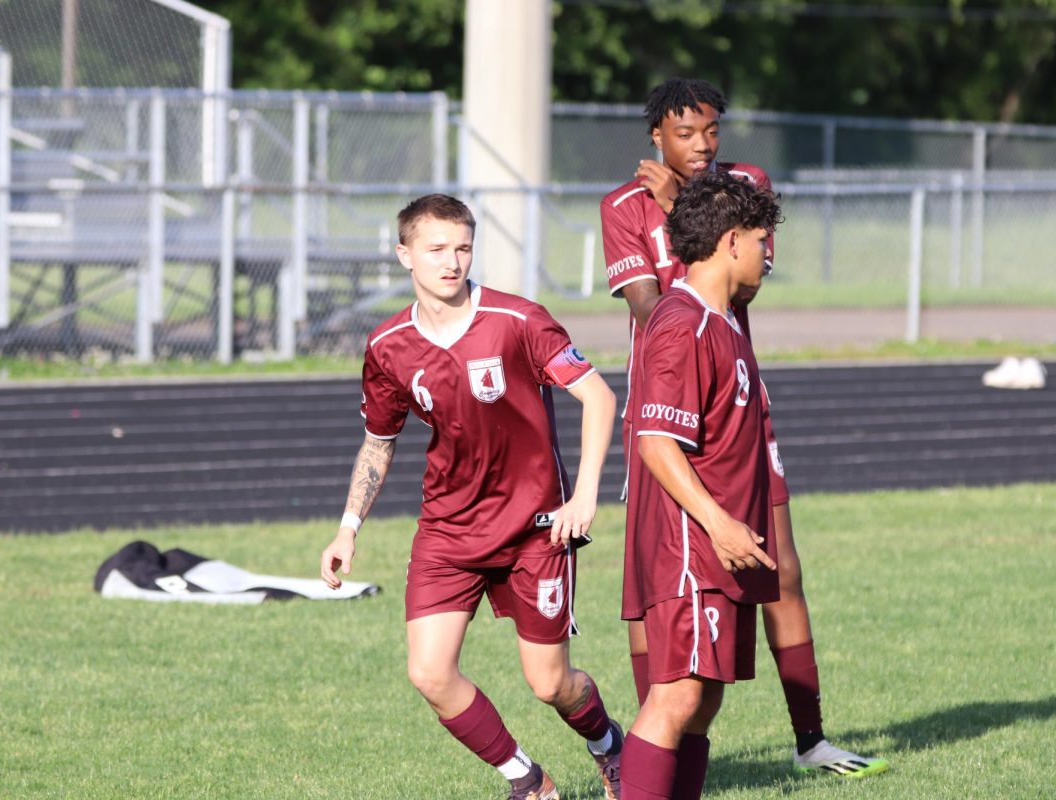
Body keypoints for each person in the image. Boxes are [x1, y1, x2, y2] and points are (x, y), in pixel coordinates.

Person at [600, 78, 889, 779]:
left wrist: (685, 214)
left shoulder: (745, 187)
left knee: (778, 568)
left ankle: (807, 736)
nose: (701, 145)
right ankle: (648, 753)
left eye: (710, 131)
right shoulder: (623, 210)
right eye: (685, 133)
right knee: (661, 610)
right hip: (675, 409)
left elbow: (746, 282)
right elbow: (652, 311)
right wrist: (687, 229)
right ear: (656, 138)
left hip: (736, 399)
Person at [321, 194, 623, 800]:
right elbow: (379, 443)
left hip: (537, 528)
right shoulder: (388, 346)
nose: (452, 261)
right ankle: (528, 781)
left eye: (462, 247)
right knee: (429, 672)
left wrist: (585, 493)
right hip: (449, 529)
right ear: (404, 254)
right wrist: (348, 526)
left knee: (550, 684)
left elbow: (599, 396)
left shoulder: (520, 321)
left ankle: (610, 745)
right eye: (436, 249)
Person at [619, 171, 784, 798]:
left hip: (726, 544)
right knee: (678, 694)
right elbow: (655, 440)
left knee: (704, 698)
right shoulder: (680, 322)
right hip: (693, 546)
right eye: (764, 240)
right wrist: (718, 522)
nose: (770, 255)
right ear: (732, 240)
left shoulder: (725, 320)